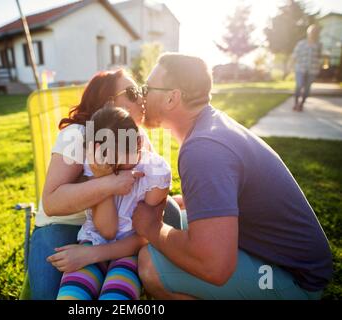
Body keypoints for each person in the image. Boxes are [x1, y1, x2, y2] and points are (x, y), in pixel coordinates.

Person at [132, 53, 333, 300]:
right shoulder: (211, 126)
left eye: (148, 88)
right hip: (281, 258)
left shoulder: (203, 149)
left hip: (293, 279)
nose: (142, 94)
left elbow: (214, 267)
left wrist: (152, 228)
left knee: (150, 263)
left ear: (172, 97)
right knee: (180, 220)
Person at [28, 69, 184, 300]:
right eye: (132, 92)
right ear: (109, 102)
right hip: (64, 224)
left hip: (122, 232)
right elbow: (52, 203)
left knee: (169, 210)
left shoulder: (140, 141)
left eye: (140, 90)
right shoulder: (78, 135)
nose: (141, 97)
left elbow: (143, 203)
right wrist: (109, 183)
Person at [56, 106, 171, 300]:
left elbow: (147, 236)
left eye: (121, 163)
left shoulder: (155, 173)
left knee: (115, 297)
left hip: (131, 251)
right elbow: (107, 231)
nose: (116, 170)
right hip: (94, 239)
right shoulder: (97, 166)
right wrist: (104, 180)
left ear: (139, 143)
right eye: (111, 164)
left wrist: (90, 255)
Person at [291, 24, 322, 112]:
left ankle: (301, 104)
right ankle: (296, 103)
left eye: (315, 32)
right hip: (300, 68)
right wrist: (290, 66)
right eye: (311, 32)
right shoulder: (301, 43)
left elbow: (319, 58)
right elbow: (294, 55)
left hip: (312, 70)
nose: (312, 34)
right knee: (299, 85)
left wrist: (319, 67)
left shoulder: (319, 45)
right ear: (308, 32)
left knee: (307, 89)